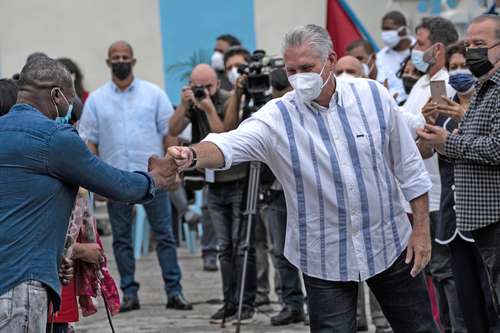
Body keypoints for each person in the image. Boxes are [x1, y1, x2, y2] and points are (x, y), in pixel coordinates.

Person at [167, 24, 439, 333]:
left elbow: (410, 168)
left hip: (389, 243)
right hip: (324, 255)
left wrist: (421, 231)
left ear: (331, 60)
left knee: (420, 328)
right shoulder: (277, 116)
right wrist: (190, 155)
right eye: (291, 69)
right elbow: (230, 143)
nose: (298, 77)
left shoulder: (373, 96)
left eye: (307, 68)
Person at [0, 55, 176, 333]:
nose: (69, 109)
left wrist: (58, 255)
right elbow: (116, 185)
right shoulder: (55, 137)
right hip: (19, 286)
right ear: (56, 94)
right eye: (69, 101)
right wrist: (156, 179)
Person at [78, 40, 192, 312]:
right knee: (121, 239)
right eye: (115, 57)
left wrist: (171, 170)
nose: (120, 61)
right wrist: (96, 178)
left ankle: (174, 291)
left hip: (154, 178)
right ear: (108, 63)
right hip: (116, 180)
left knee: (164, 235)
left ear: (133, 61)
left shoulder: (153, 94)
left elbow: (169, 131)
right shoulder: (96, 100)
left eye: (125, 57)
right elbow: (89, 142)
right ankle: (129, 293)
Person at [418, 14, 500, 325]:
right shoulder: (483, 89)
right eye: (468, 45)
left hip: (495, 217)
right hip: (472, 218)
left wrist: (448, 141)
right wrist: (436, 135)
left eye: (480, 44)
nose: (471, 52)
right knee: (473, 303)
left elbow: (495, 148)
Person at [400, 16, 466, 332]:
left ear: (437, 48)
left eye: (421, 44)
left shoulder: (450, 82)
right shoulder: (422, 84)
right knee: (433, 272)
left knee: (445, 269)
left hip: (440, 194)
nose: (415, 49)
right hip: (417, 191)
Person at [169, 63, 231, 272]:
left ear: (218, 84)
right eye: (197, 86)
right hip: (202, 164)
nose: (203, 91)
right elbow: (173, 129)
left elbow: (223, 137)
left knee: (213, 208)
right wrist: (184, 105)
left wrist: (209, 109)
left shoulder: (227, 99)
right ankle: (209, 252)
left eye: (208, 87)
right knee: (206, 205)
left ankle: (215, 251)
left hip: (227, 165)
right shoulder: (192, 103)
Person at [376, 11, 415, 104]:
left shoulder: (419, 51)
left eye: (389, 29)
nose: (385, 33)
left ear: (403, 30)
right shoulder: (380, 57)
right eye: (383, 29)